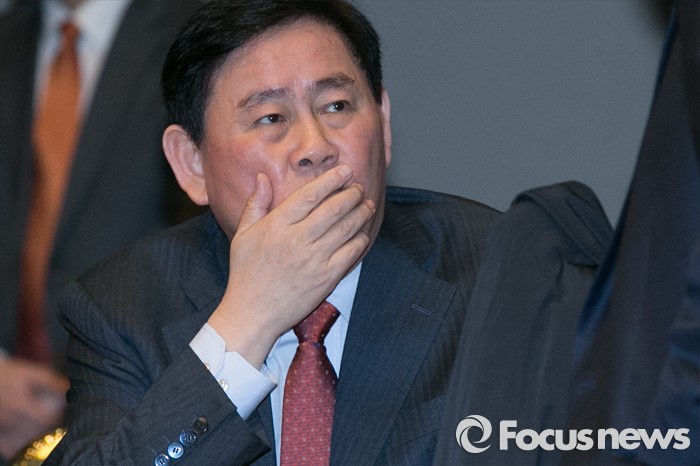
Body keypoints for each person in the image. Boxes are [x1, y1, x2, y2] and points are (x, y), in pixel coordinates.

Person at [45, 0, 499, 464]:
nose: (315, 147)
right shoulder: (122, 309)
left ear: (382, 125)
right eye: (271, 118)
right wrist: (249, 320)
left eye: (336, 106)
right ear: (191, 163)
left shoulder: (497, 273)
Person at [0, 0, 200, 460]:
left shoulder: (193, 32)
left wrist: (74, 385)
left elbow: (205, 235)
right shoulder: (7, 39)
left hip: (136, 406)